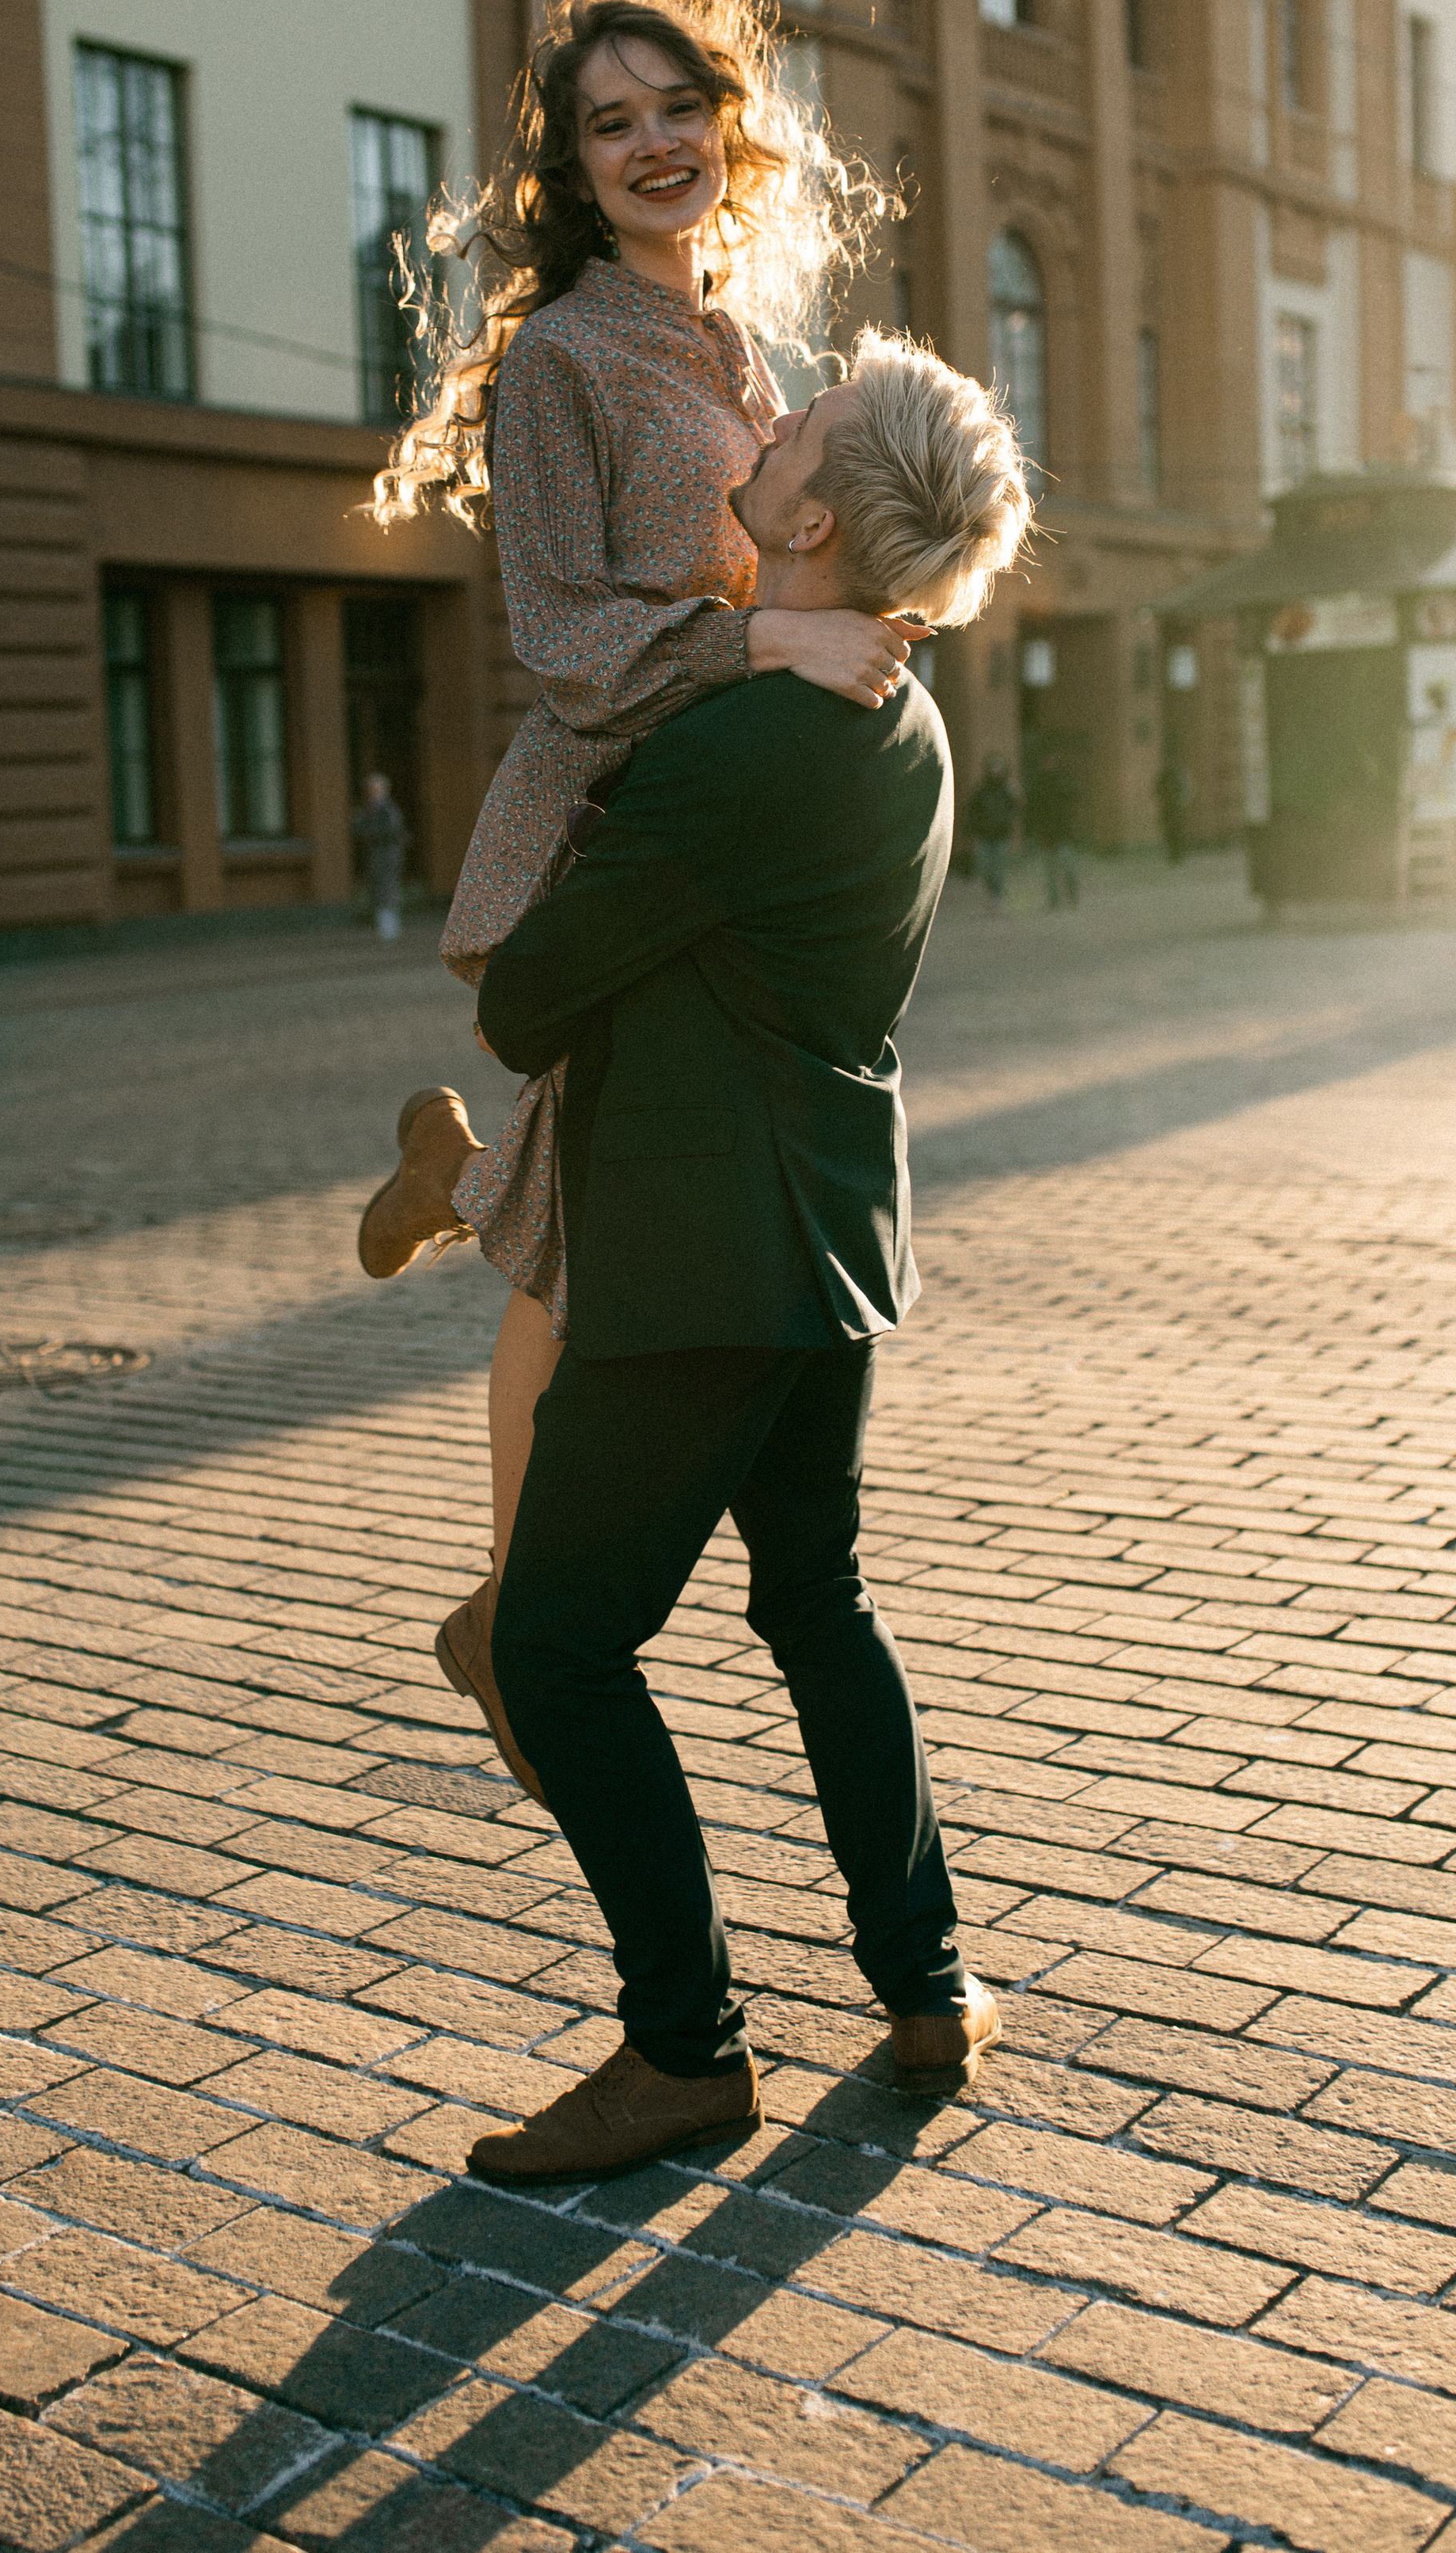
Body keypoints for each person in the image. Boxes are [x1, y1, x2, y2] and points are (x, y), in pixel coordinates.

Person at [435, 333, 1028, 2183]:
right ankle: (923, 1983)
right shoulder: (902, 719)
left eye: (796, 436)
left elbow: (524, 995)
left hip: (695, 1254)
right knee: (814, 1601)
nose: (756, 434)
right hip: (827, 1241)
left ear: (822, 523)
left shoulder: (743, 740)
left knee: (554, 1642)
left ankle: (684, 2048)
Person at [356, 0, 922, 1662]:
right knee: (585, 1248)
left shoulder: (736, 343)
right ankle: (518, 1626)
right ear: (574, 164)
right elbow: (564, 640)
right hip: (604, 828)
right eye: (612, 124)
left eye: (680, 108)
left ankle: (458, 1188)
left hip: (716, 826)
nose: (653, 143)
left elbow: (793, 556)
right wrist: (772, 641)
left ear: (728, 131)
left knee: (582, 1217)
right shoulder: (560, 362)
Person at [352, 770, 407, 939]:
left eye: (375, 789)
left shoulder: (387, 809)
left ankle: (389, 927)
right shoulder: (370, 809)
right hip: (376, 853)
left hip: (388, 853)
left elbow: (390, 831)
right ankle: (382, 925)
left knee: (387, 886)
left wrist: (367, 832)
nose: (371, 793)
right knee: (377, 887)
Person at [1024, 745, 1081, 908]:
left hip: (1063, 832)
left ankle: (1072, 895)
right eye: (1046, 761)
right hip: (1045, 834)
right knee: (1049, 870)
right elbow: (1032, 809)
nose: (1048, 764)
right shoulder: (1038, 783)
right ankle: (1054, 900)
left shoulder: (1064, 779)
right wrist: (1035, 830)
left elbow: (1075, 795)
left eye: (1051, 761)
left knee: (1068, 866)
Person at [964, 751, 1020, 907]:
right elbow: (972, 811)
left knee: (999, 869)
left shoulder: (1008, 790)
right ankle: (991, 893)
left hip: (1001, 835)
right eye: (993, 768)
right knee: (984, 867)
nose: (996, 771)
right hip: (984, 835)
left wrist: (1008, 823)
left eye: (998, 768)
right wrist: (970, 829)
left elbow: (1016, 809)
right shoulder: (981, 790)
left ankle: (997, 897)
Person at [1154, 754, 1192, 866]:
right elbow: (1157, 789)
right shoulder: (1164, 775)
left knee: (1177, 831)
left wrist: (1181, 801)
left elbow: (1187, 789)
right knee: (1168, 831)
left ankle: (1178, 854)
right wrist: (1162, 799)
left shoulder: (1180, 775)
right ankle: (1172, 854)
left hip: (1177, 807)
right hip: (1167, 807)